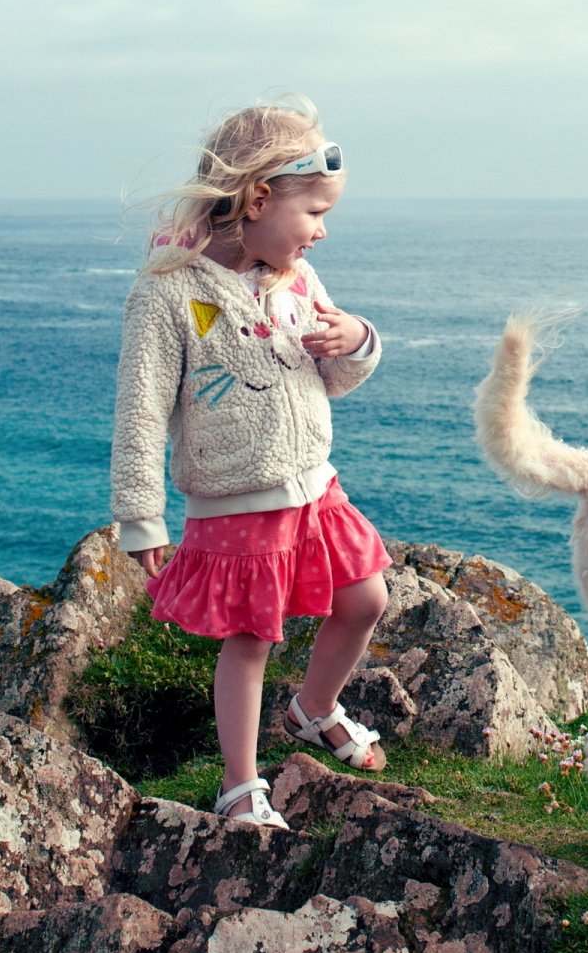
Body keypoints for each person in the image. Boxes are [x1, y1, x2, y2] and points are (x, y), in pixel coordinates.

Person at [111, 94, 390, 829]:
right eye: (314, 213)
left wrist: (356, 340)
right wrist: (141, 518)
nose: (322, 232)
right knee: (252, 639)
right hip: (238, 500)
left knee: (365, 599)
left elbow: (333, 373)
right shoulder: (168, 294)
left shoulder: (296, 279)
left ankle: (314, 709)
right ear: (259, 199)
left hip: (315, 489)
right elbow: (139, 411)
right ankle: (240, 784)